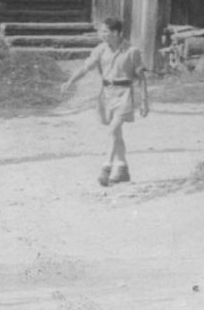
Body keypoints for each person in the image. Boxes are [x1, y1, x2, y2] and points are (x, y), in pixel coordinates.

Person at [60, 16, 149, 186]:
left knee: (114, 128)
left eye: (104, 31)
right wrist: (70, 81)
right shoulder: (100, 49)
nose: (101, 34)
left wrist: (145, 100)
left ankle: (106, 167)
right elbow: (86, 68)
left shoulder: (132, 51)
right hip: (106, 94)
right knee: (116, 133)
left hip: (124, 94)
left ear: (115, 33)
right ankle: (122, 168)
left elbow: (141, 78)